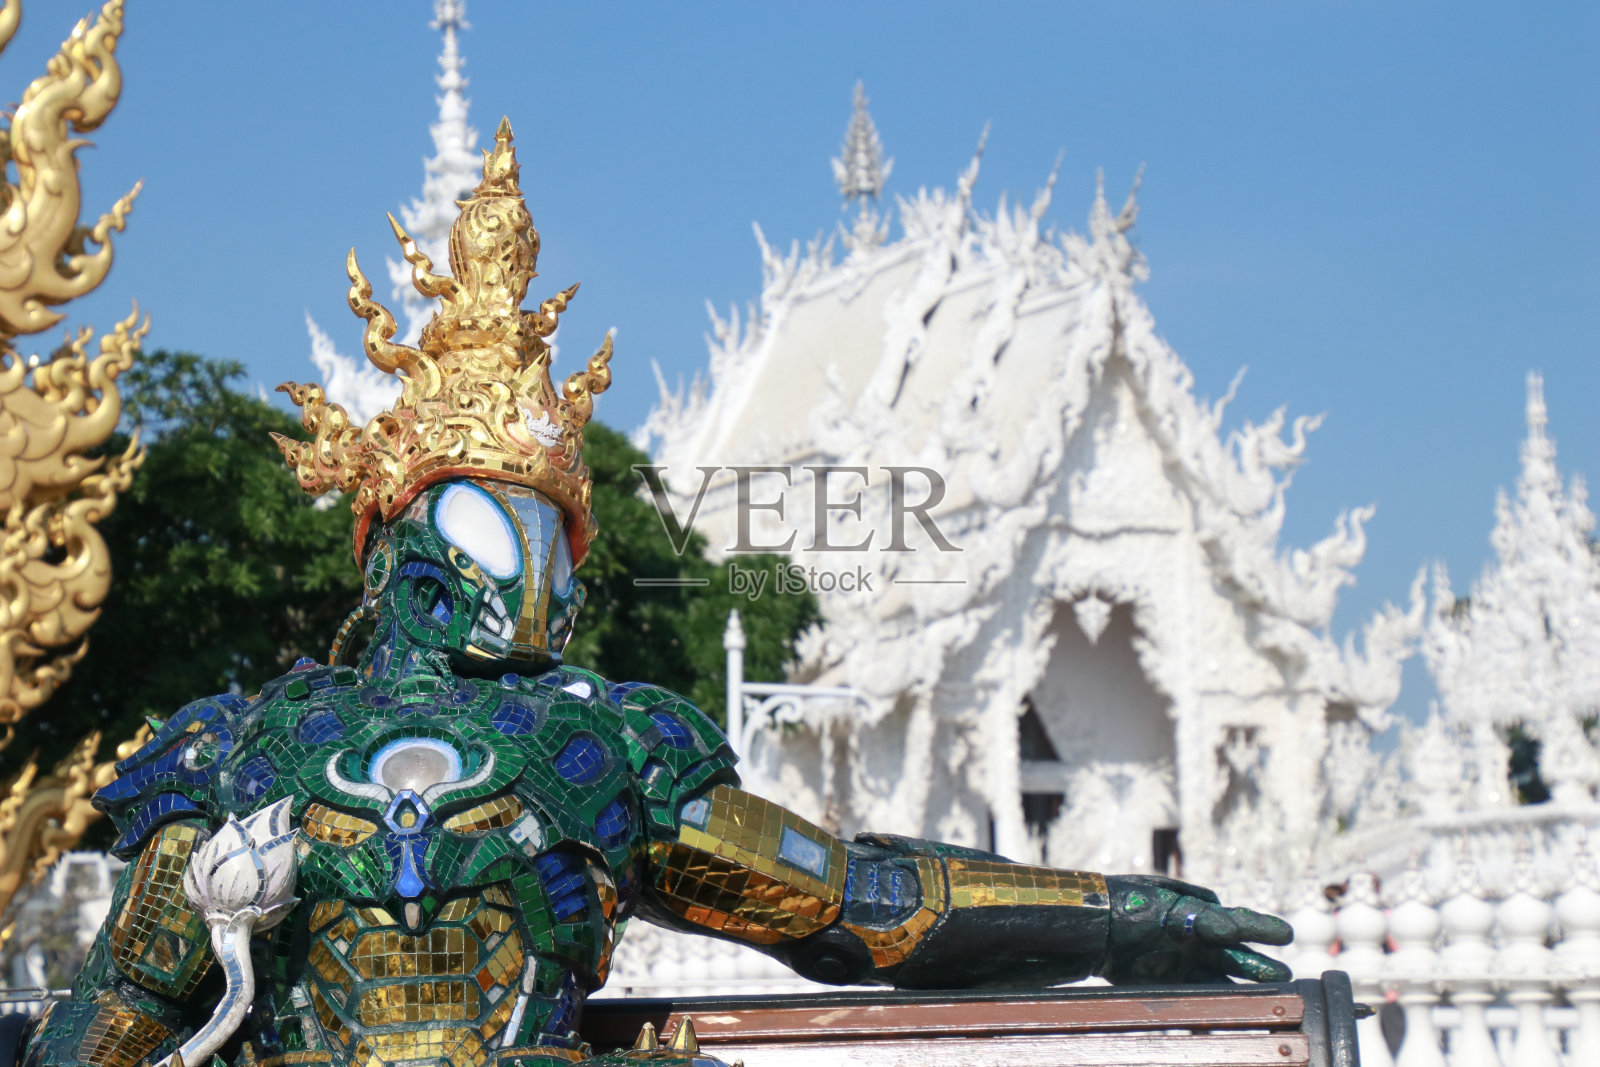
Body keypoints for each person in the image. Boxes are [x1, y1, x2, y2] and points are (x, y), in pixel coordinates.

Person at [20, 119, 1292, 1067]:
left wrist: (1118, 914)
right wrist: (1117, 919)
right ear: (400, 539)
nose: (530, 568)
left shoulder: (575, 750)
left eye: (549, 532)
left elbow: (864, 907)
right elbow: (868, 909)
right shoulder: (281, 758)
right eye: (499, 519)